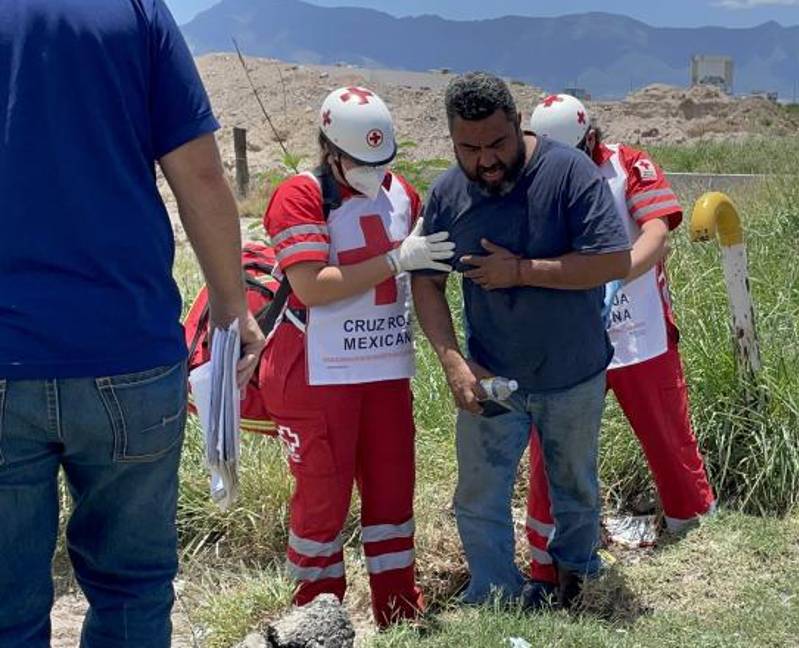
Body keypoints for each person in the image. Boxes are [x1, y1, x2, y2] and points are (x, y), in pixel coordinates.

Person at [0, 1, 265, 645]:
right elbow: (200, 176)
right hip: (128, 354)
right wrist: (232, 306)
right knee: (134, 589)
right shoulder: (134, 9)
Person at [411, 72, 631, 607]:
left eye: (497, 144)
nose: (486, 160)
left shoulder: (569, 172)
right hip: (492, 379)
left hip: (573, 372)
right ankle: (495, 594)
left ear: (517, 125)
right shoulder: (447, 195)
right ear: (452, 140)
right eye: (470, 148)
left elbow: (611, 261)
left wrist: (521, 271)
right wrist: (453, 363)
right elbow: (427, 283)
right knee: (479, 495)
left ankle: (578, 586)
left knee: (575, 490)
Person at [260, 85, 453, 628]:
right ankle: (316, 623)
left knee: (393, 498)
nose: (374, 172)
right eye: (360, 162)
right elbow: (312, 287)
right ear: (330, 151)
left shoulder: (403, 194)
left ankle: (399, 613)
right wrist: (397, 259)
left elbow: (423, 274)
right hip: (319, 375)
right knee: (322, 505)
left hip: (385, 370)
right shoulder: (299, 195)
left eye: (383, 161)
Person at [525, 94, 716, 589]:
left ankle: (695, 536)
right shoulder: (530, 176)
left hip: (638, 333)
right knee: (553, 451)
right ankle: (549, 565)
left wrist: (617, 272)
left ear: (591, 138)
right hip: (567, 341)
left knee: (667, 435)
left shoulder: (629, 164)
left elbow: (657, 231)